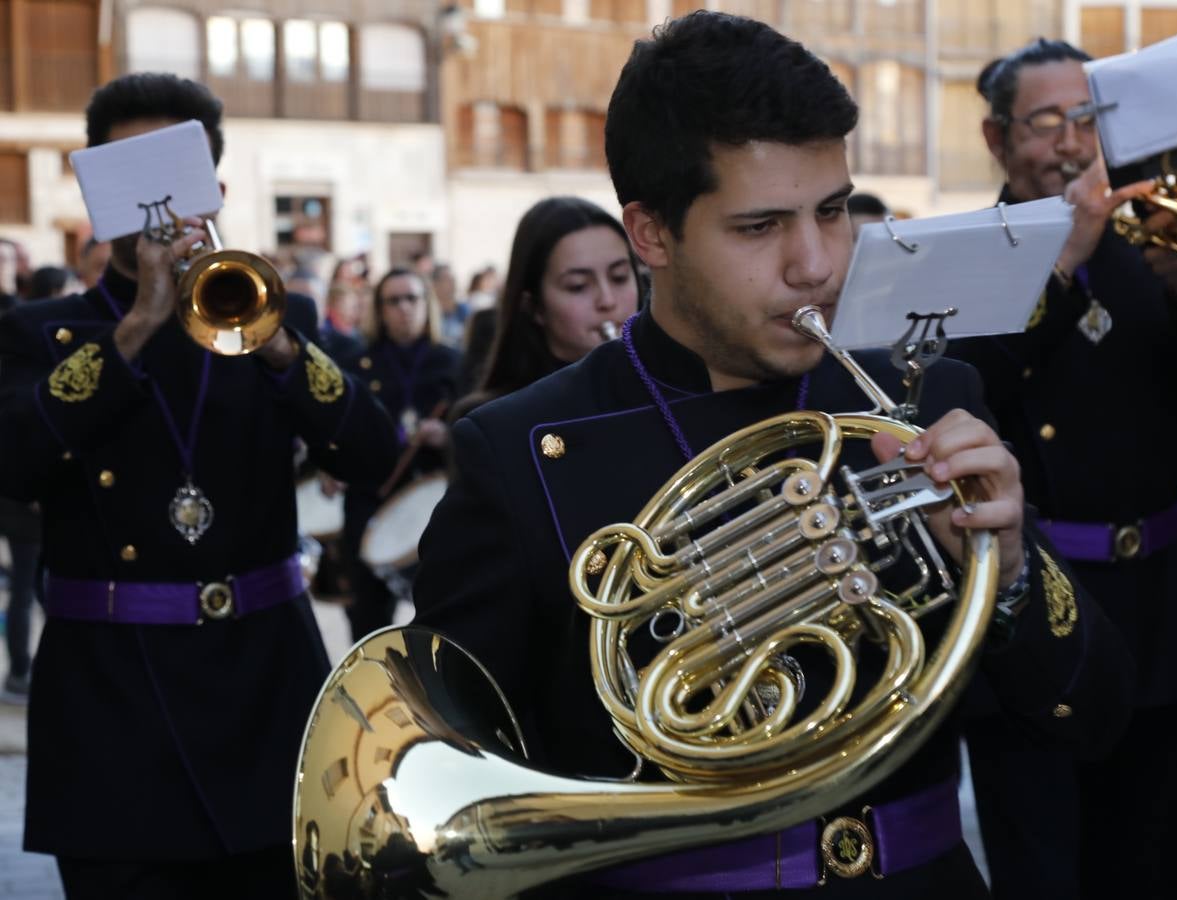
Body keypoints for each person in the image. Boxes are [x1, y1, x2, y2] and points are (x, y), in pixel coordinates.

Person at [413, 13, 1133, 898]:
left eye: (831, 211)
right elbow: (463, 800)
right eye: (760, 228)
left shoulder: (925, 398)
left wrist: (1013, 571)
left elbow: (1094, 714)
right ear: (650, 235)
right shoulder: (520, 449)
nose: (816, 264)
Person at [0, 72, 399, 899]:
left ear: (215, 186)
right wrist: (138, 325)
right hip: (111, 699)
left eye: (176, 178)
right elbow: (14, 459)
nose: (157, 206)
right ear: (95, 192)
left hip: (264, 681)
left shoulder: (269, 320)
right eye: (129, 175)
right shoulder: (40, 333)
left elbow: (371, 453)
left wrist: (283, 350)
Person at [946, 39, 1177, 900]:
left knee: (1160, 868)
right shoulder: (967, 256)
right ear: (996, 137)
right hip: (1031, 621)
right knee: (1046, 872)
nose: (1070, 142)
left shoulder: (1156, 247)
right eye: (1047, 121)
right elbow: (970, 389)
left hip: (1164, 613)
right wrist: (1061, 264)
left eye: (1088, 118)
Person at [338, 268, 460, 642]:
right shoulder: (359, 365)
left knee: (447, 619)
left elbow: (481, 430)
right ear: (379, 309)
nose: (404, 308)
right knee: (366, 619)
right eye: (393, 300)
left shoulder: (455, 362)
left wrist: (447, 436)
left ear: (427, 304)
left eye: (412, 298)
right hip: (372, 501)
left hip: (437, 504)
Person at [452, 195, 640, 420]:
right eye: (577, 286)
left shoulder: (671, 389)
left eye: (619, 277)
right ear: (534, 306)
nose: (607, 300)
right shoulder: (495, 420)